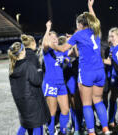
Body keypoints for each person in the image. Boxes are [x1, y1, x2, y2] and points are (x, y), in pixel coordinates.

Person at [43, 0, 110, 134]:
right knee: (98, 100)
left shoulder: (78, 34)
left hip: (87, 72)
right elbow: (95, 19)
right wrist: (90, 7)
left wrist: (52, 45)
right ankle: (106, 128)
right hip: (100, 71)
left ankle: (91, 131)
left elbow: (62, 49)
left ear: (80, 24)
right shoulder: (95, 30)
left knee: (86, 104)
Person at [8, 42, 50, 135]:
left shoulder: (12, 68)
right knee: (37, 125)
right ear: (22, 52)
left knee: (26, 125)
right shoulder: (27, 65)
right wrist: (39, 70)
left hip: (22, 103)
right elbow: (37, 81)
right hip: (33, 101)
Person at [42, 31, 70, 135]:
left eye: (56, 37)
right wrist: (47, 29)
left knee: (65, 110)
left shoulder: (61, 50)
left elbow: (71, 53)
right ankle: (51, 131)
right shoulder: (47, 50)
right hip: (51, 83)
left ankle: (63, 131)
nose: (54, 39)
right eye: (52, 37)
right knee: (52, 112)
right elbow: (45, 44)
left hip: (61, 84)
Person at [103, 27, 118, 129]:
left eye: (112, 36)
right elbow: (109, 61)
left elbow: (111, 62)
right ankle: (111, 120)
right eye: (109, 36)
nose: (110, 38)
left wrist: (98, 60)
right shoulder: (111, 48)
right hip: (112, 76)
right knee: (112, 98)